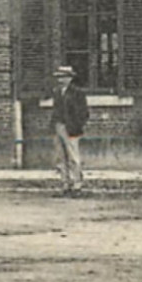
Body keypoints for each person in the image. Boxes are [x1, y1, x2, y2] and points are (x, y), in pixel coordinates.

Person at [50, 65, 89, 196]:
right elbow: (55, 110)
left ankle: (77, 185)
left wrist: (76, 125)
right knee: (60, 158)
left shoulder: (77, 92)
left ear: (70, 78)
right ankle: (65, 185)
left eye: (63, 77)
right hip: (58, 126)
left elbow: (84, 112)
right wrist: (54, 125)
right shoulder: (56, 92)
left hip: (71, 128)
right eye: (59, 77)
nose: (60, 80)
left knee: (73, 157)